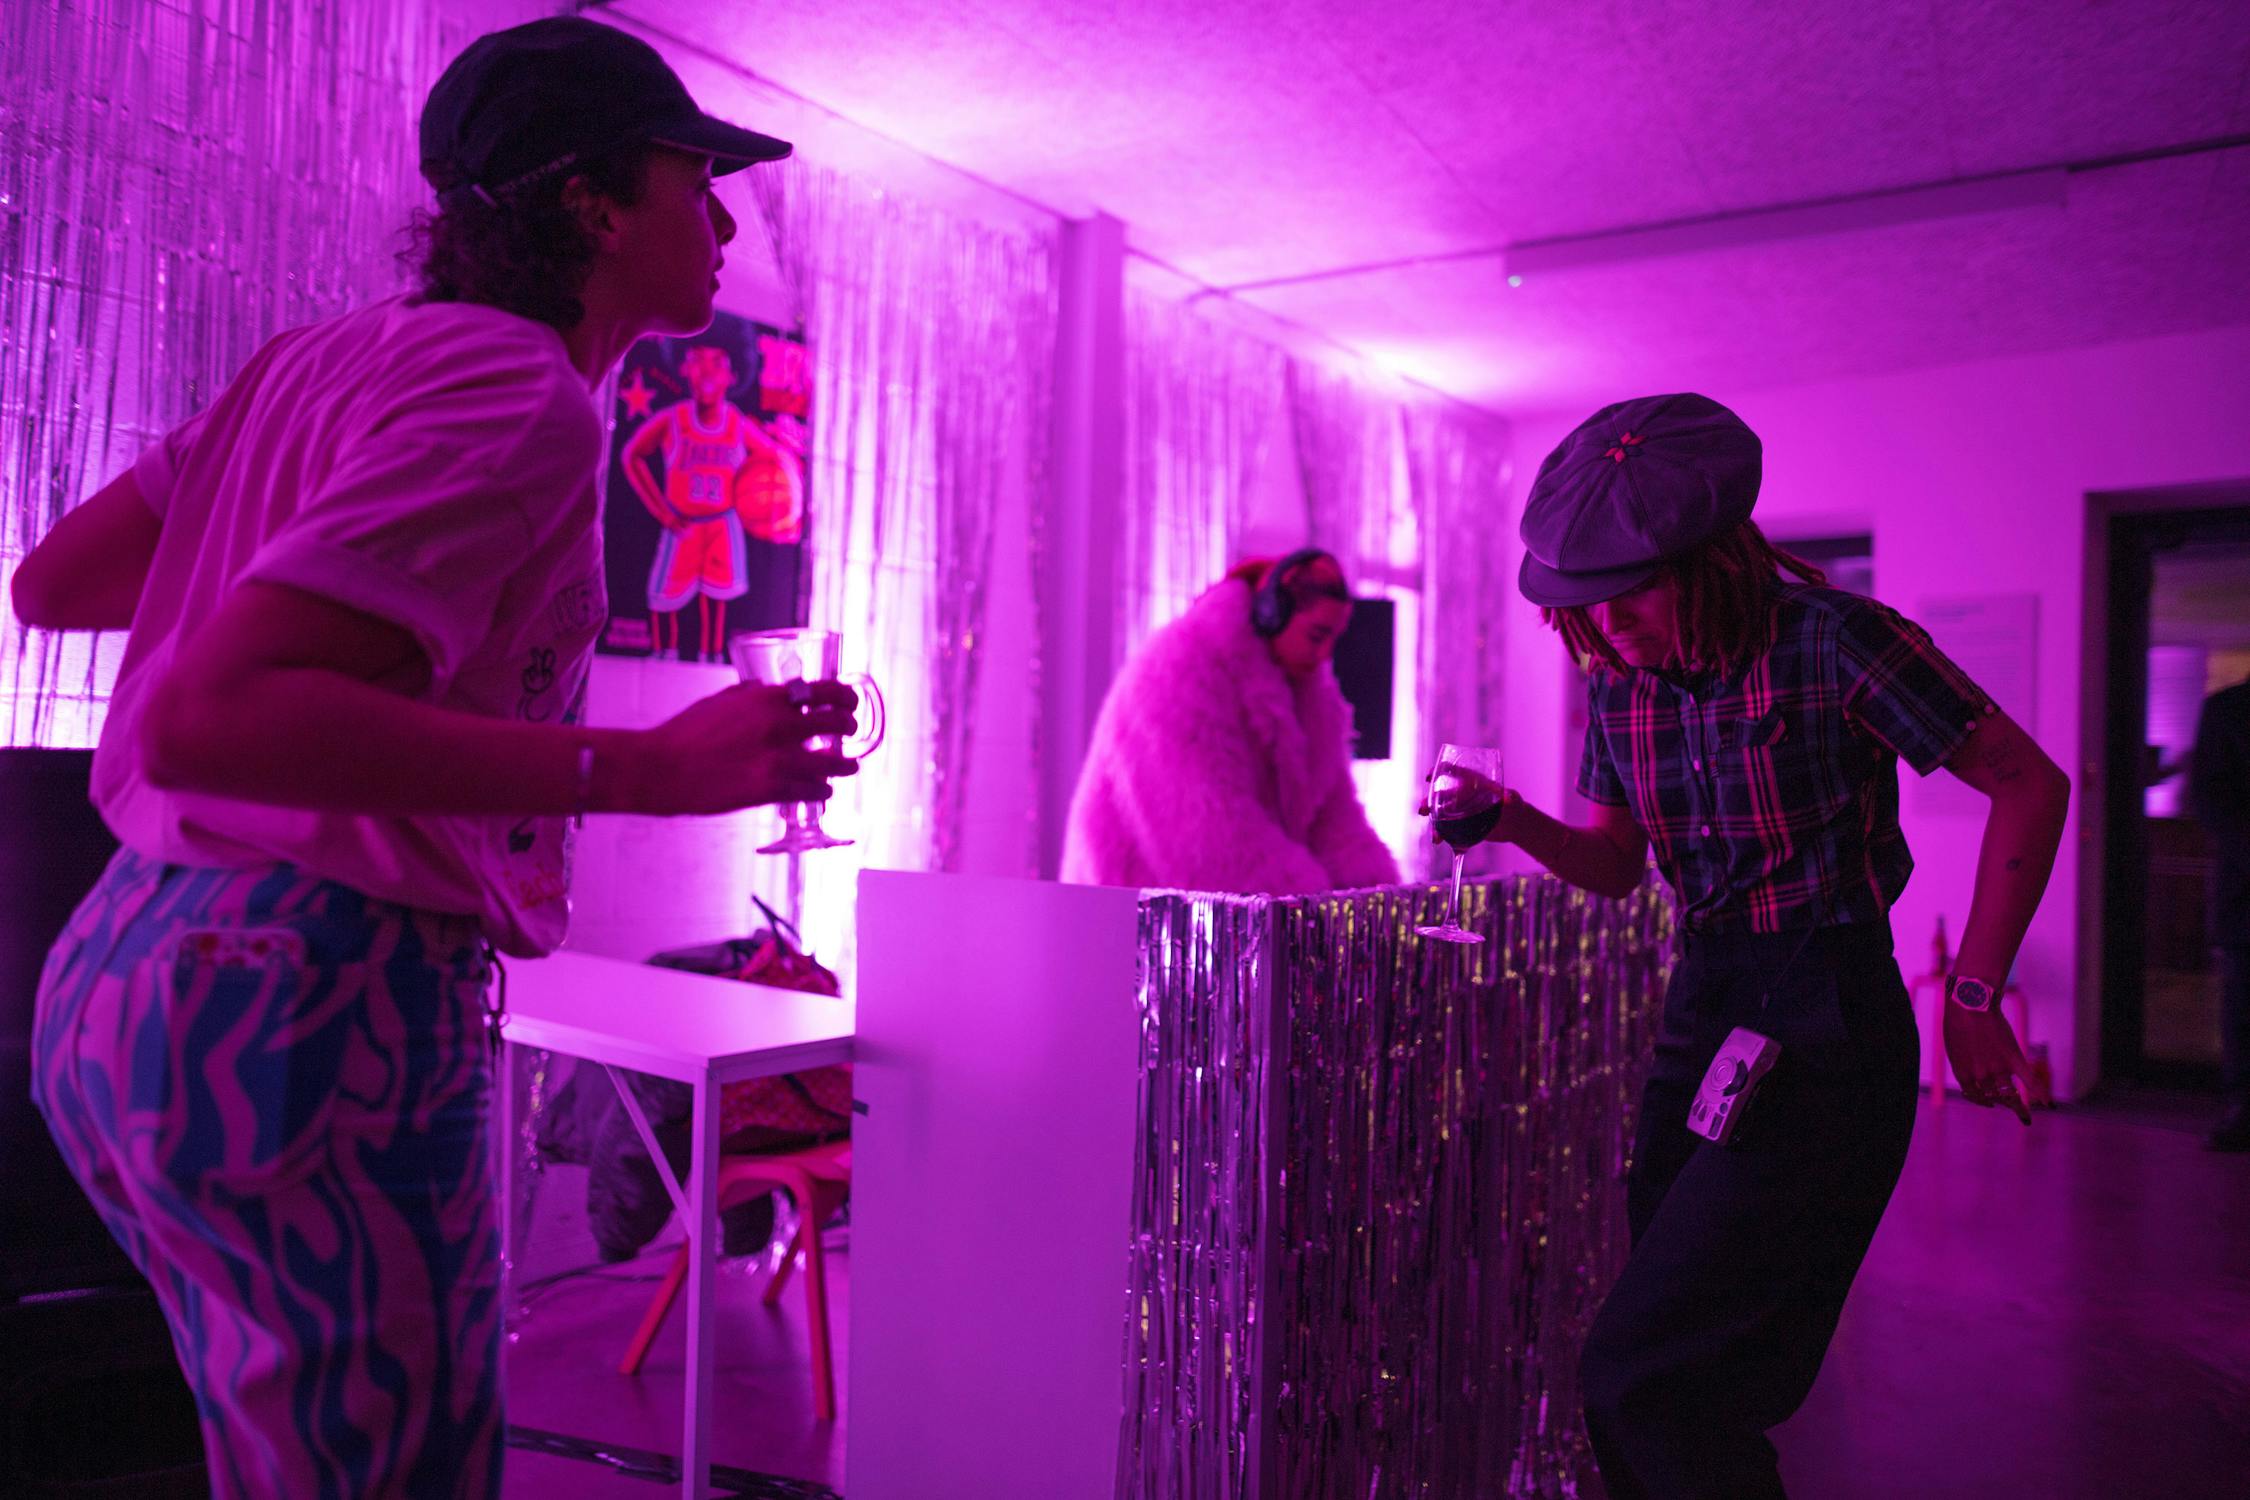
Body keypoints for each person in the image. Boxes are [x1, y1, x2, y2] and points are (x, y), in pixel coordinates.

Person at [7, 18, 856, 1496]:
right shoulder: (520, 392)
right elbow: (210, 716)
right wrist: (646, 773)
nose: (719, 218)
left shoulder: (319, 362)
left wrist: (267, 558)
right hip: (304, 1005)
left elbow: (53, 585)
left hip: (117, 985)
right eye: (690, 178)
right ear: (591, 199)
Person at [1467, 394, 2069, 1498]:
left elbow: (2029, 784)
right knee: (1692, 1367)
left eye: (1628, 598)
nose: (1606, 633)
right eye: (1583, 613)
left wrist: (1974, 997)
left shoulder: (1838, 642)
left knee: (1645, 1378)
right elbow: (1613, 868)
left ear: (1714, 558)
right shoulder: (1621, 689)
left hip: (1825, 1006)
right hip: (1703, 1007)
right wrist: (1507, 818)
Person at [1062, 548, 1400, 895]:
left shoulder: (1315, 700)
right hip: (1123, 918)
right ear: (1274, 613)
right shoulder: (1176, 672)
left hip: (1207, 926)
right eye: (1316, 636)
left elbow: (1333, 819)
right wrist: (1311, 915)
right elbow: (1206, 837)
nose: (1326, 653)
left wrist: (1380, 905)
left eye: (1333, 638)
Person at [622, 341, 802, 661]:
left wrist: (788, 503)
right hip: (682, 524)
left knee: (717, 601)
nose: (707, 370)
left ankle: (711, 657)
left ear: (733, 376)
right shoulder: (674, 419)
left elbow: (778, 457)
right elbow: (631, 455)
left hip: (722, 524)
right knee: (665, 600)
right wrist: (662, 512)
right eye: (697, 360)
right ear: (683, 368)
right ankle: (664, 656)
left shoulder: (735, 422)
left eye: (717, 362)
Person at [2187, 670, 2250, 1151]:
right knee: (2243, 999)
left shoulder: (2226, 708)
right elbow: (2206, 797)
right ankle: (2243, 1105)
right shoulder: (2228, 709)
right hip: (2245, 886)